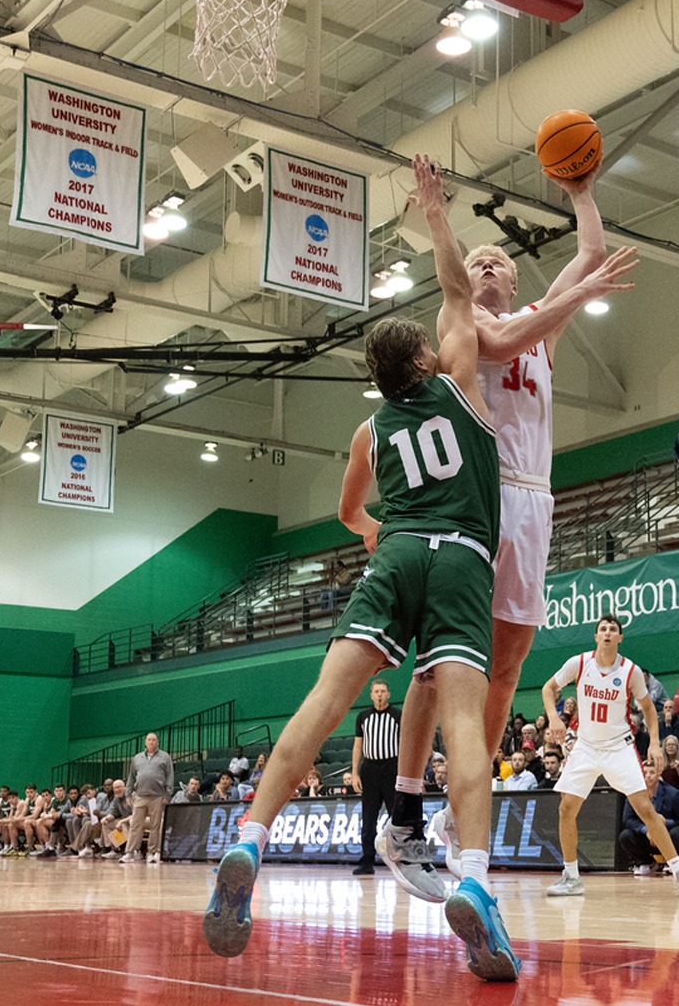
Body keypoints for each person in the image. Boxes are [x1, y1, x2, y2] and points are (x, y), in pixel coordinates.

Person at [207, 156, 519, 983]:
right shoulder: (458, 382)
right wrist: (433, 213)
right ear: (422, 360)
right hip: (459, 560)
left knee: (323, 699)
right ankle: (479, 885)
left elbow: (351, 515)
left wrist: (386, 538)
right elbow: (457, 287)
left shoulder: (369, 433)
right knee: (463, 720)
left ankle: (250, 838)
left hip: (397, 552)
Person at [384, 167, 632, 903]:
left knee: (508, 663)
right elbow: (503, 338)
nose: (488, 265)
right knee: (442, 660)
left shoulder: (541, 330)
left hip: (534, 500)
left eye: (502, 260)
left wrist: (582, 193)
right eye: (479, 259)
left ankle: (467, 800)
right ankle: (402, 803)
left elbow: (589, 254)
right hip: (476, 501)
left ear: (518, 277)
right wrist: (439, 221)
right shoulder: (465, 324)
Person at [345, 679, 401, 876]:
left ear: (388, 694)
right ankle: (367, 861)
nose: (379, 694)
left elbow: (404, 745)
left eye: (383, 691)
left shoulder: (397, 715)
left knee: (398, 816)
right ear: (371, 695)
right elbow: (358, 746)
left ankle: (401, 859)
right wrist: (355, 773)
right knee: (368, 818)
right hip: (370, 769)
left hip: (392, 768)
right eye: (376, 691)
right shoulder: (363, 716)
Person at [618, 758, 679, 880]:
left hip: (670, 836)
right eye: (644, 773)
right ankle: (646, 862)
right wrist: (647, 829)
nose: (648, 776)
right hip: (648, 838)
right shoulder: (634, 795)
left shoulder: (673, 794)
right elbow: (628, 819)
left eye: (651, 772)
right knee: (625, 835)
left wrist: (664, 824)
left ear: (658, 774)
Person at [125, 732, 173, 865]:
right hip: (140, 796)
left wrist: (168, 794)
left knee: (155, 826)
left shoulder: (165, 757)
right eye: (149, 740)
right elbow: (131, 777)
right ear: (145, 742)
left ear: (157, 742)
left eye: (154, 740)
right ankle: (130, 852)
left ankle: (152, 852)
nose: (151, 742)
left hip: (157, 796)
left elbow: (170, 776)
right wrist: (128, 794)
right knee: (135, 825)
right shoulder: (137, 758)